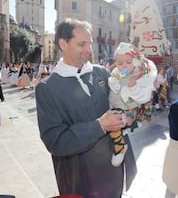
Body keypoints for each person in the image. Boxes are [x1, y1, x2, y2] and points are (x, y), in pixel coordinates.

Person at [35, 18, 136, 197]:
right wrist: (99, 126)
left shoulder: (102, 73)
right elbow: (55, 142)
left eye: (90, 43)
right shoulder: (47, 88)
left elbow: (121, 106)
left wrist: (129, 116)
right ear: (63, 44)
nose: (89, 50)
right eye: (82, 44)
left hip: (114, 174)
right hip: (81, 179)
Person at [108, 42, 157, 166]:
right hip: (116, 105)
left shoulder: (139, 76)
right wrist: (114, 83)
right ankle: (120, 144)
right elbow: (113, 83)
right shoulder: (116, 72)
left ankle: (119, 148)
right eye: (120, 63)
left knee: (118, 124)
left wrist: (134, 87)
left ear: (134, 62)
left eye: (128, 62)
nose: (124, 65)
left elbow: (144, 97)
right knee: (115, 125)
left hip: (129, 107)